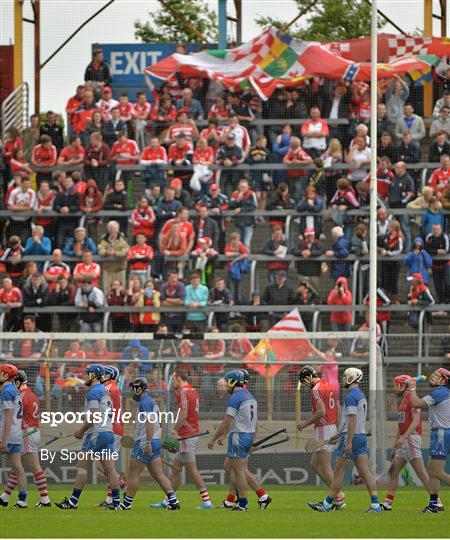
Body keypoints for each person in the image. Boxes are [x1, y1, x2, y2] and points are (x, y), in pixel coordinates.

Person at [308, 368, 381, 513]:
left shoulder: (350, 396)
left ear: (352, 378)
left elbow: (352, 419)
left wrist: (347, 441)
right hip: (359, 437)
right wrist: (339, 434)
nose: (343, 379)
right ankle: (375, 505)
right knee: (365, 472)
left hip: (351, 438)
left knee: (339, 471)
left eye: (346, 376)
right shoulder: (360, 394)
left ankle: (327, 504)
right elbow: (352, 420)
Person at [56, 365, 120, 510]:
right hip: (108, 432)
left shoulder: (94, 392)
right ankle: (116, 503)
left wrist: (81, 430)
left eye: (87, 374)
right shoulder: (104, 391)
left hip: (97, 432)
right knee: (111, 470)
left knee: (82, 467)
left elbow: (93, 416)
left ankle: (73, 502)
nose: (84, 376)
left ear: (94, 376)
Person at [150, 371, 212, 510]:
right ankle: (168, 500)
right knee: (176, 470)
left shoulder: (184, 391)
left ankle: (207, 501)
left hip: (186, 435)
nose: (173, 382)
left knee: (192, 470)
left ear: (179, 378)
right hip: (191, 432)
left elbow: (183, 414)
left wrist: (175, 429)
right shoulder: (193, 391)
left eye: (173, 379)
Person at [380, 374, 441, 512]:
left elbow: (415, 421)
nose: (394, 387)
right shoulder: (403, 401)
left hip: (411, 439)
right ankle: (388, 502)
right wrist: (397, 441)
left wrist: (404, 438)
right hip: (403, 441)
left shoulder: (412, 400)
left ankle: (436, 501)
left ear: (403, 385)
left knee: (421, 473)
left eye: (396, 385)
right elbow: (400, 424)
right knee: (394, 471)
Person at [120, 377, 180, 510]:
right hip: (155, 441)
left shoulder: (145, 402)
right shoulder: (152, 402)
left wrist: (147, 443)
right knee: (158, 474)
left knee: (133, 473)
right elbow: (158, 423)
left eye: (132, 390)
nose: (131, 393)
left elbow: (150, 423)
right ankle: (174, 502)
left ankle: (126, 504)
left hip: (145, 443)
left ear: (139, 389)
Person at [208, 369, 257, 511]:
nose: (226, 386)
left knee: (239, 472)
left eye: (227, 382)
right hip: (247, 434)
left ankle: (243, 504)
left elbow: (226, 423)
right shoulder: (249, 395)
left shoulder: (235, 398)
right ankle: (231, 500)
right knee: (228, 466)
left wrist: (213, 439)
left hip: (239, 436)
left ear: (232, 381)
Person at [0, 370, 50, 507]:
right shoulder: (33, 395)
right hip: (32, 430)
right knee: (16, 467)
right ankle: (5, 496)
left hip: (26, 432)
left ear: (17, 382)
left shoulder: (19, 395)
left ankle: (44, 499)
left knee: (33, 467)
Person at [297, 366, 344, 506]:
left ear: (307, 378)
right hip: (330, 427)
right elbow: (338, 408)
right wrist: (337, 428)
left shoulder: (316, 389)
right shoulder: (329, 385)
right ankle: (335, 494)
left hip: (324, 428)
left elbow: (322, 412)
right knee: (314, 464)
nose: (305, 385)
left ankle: (337, 496)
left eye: (304, 382)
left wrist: (304, 424)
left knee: (325, 465)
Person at [408, 368, 450, 512]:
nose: (432, 377)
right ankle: (434, 504)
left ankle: (434, 504)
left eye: (436, 376)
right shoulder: (443, 392)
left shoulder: (439, 392)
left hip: (441, 433)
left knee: (437, 472)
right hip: (440, 433)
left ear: (443, 380)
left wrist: (412, 388)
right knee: (431, 470)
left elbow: (416, 403)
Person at [0, 364, 28, 509]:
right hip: (16, 434)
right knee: (18, 468)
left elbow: (8, 417)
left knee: (17, 467)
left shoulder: (6, 391)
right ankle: (22, 500)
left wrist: (3, 440)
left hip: (7, 434)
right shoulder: (15, 391)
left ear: (5, 375)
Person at [98, 220, 130, 292]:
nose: (112, 230)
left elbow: (125, 251)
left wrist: (115, 253)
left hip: (120, 268)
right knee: (107, 290)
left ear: (118, 229)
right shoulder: (103, 239)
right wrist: (107, 252)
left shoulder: (123, 238)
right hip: (108, 269)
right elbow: (100, 251)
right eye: (111, 228)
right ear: (108, 229)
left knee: (121, 290)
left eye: (114, 228)